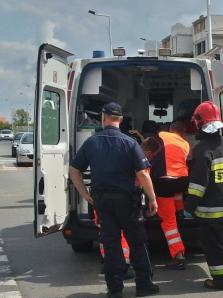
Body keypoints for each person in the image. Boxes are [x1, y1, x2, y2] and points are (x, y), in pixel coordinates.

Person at [69, 102, 159, 298]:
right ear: (121, 119)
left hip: (102, 202)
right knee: (137, 242)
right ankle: (144, 285)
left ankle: (115, 289)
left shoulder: (92, 143)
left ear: (103, 117)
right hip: (127, 201)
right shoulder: (130, 143)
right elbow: (143, 174)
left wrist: (84, 194)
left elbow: (74, 170)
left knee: (111, 244)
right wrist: (152, 199)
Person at [184, 101, 223, 290]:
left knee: (213, 246)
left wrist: (188, 207)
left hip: (207, 209)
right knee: (222, 240)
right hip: (221, 204)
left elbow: (198, 185)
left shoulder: (202, 150)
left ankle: (222, 280)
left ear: (201, 123)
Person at [149, 121, 190, 269]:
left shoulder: (161, 135)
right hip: (182, 181)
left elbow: (150, 154)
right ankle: (180, 210)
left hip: (165, 181)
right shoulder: (185, 143)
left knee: (168, 221)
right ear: (182, 133)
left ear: (170, 130)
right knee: (177, 192)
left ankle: (178, 256)